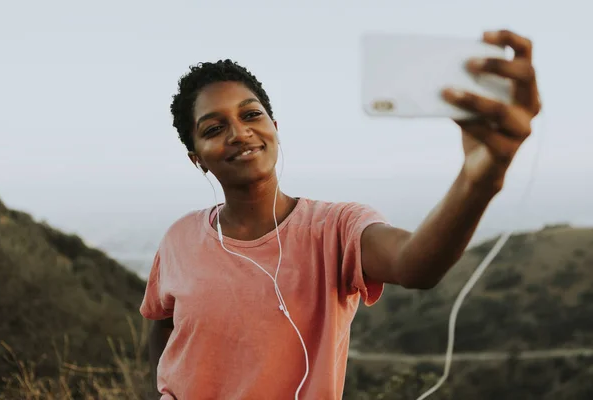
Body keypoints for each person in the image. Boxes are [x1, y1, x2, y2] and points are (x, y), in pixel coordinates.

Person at [140, 29, 541, 400]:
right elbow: (160, 323)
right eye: (213, 129)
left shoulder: (334, 228)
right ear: (197, 160)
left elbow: (415, 264)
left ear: (274, 126)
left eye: (250, 115)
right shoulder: (180, 238)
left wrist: (479, 179)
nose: (239, 133)